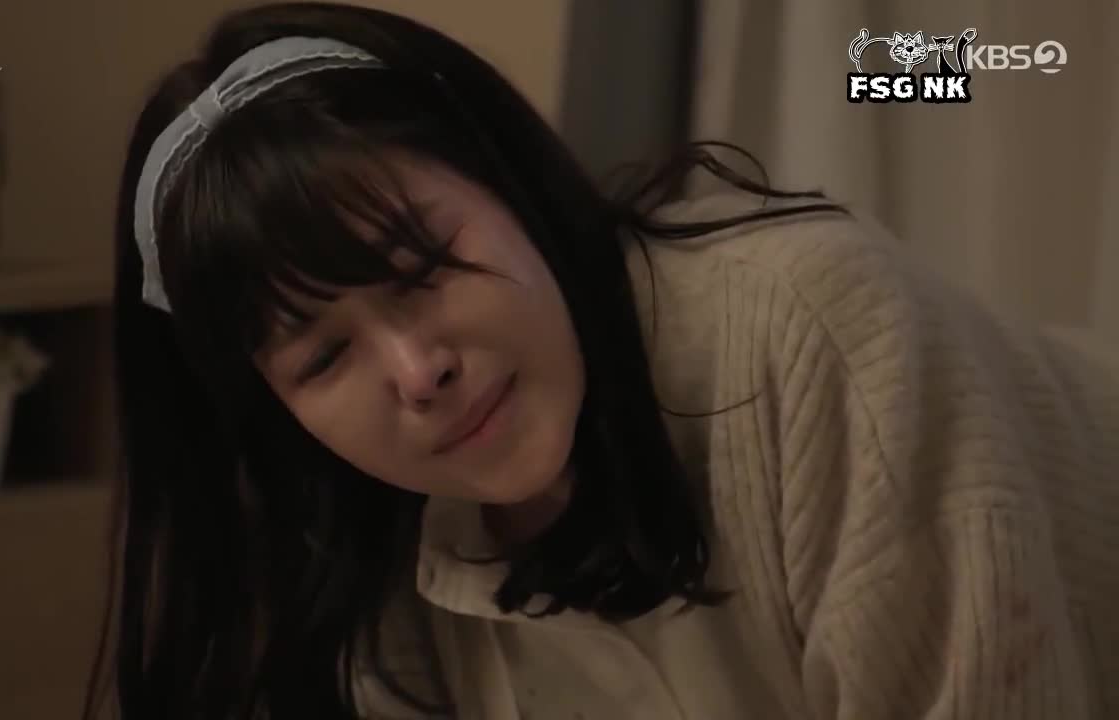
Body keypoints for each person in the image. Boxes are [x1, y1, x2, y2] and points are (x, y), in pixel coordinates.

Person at [84, 2, 1119, 719]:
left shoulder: (811, 327)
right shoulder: (368, 565)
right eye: (321, 359)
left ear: (504, 180)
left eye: (420, 266)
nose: (415, 371)